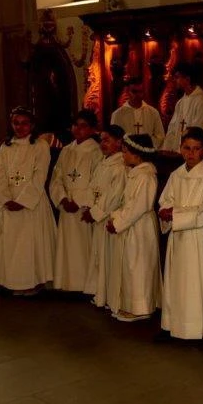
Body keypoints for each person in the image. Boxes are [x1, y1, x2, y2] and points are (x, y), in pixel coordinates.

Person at [158, 126, 203, 339]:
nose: (191, 153)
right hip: (178, 239)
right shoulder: (176, 175)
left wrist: (175, 215)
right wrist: (165, 211)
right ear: (180, 149)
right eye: (187, 148)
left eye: (196, 149)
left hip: (198, 239)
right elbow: (166, 200)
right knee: (178, 283)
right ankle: (175, 326)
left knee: (199, 284)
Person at [0, 107, 56, 295]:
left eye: (24, 123)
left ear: (32, 125)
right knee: (12, 245)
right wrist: (5, 198)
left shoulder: (40, 146)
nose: (20, 127)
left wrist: (23, 201)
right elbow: (0, 175)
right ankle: (12, 281)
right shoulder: (5, 147)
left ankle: (34, 281)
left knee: (31, 244)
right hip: (9, 201)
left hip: (32, 202)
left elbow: (40, 175)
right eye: (16, 123)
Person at [106, 134, 162, 322]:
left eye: (125, 152)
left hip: (141, 227)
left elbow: (139, 206)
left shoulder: (146, 176)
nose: (122, 155)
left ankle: (141, 308)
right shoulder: (135, 174)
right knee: (131, 266)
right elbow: (127, 203)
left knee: (139, 266)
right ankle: (131, 305)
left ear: (137, 154)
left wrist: (118, 223)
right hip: (132, 225)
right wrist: (115, 217)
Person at [50, 109, 103, 292]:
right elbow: (56, 178)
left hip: (83, 207)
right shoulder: (66, 150)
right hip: (67, 205)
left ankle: (85, 285)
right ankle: (67, 284)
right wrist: (63, 198)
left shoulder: (96, 151)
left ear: (92, 129)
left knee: (83, 246)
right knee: (68, 247)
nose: (78, 129)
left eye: (84, 126)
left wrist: (79, 201)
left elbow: (97, 181)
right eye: (76, 125)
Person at [82, 125, 127, 307]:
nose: (102, 144)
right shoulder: (103, 163)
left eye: (107, 140)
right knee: (99, 256)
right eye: (101, 140)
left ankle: (109, 296)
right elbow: (92, 187)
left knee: (108, 258)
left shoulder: (120, 167)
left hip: (109, 219)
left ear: (119, 142)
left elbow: (114, 197)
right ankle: (100, 293)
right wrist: (89, 206)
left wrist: (95, 213)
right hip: (98, 217)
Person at [162, 62, 203, 165]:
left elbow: (199, 131)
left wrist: (184, 151)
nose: (175, 80)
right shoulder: (180, 102)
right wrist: (166, 150)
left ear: (187, 79)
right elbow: (172, 129)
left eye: (177, 77)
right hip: (178, 157)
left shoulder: (202, 101)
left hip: (194, 156)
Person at [110, 77, 166, 148]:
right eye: (134, 92)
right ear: (127, 91)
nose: (138, 95)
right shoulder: (117, 115)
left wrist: (147, 146)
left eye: (140, 91)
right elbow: (114, 138)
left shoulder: (153, 112)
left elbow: (160, 137)